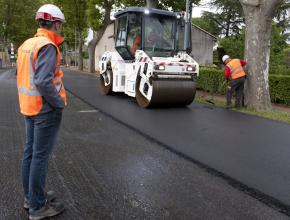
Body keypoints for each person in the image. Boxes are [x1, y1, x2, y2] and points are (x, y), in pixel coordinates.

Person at [16, 4, 66, 220]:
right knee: (39, 157)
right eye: (60, 25)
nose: (61, 29)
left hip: (29, 106)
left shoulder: (27, 44)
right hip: (45, 109)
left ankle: (31, 197)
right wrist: (58, 103)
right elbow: (43, 81)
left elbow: (23, 74)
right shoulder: (47, 46)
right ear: (55, 23)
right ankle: (37, 207)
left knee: (30, 154)